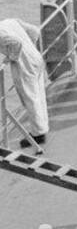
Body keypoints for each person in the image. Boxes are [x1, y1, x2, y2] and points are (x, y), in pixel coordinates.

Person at [0, 17, 49, 149]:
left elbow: (16, 43)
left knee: (30, 98)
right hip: (36, 57)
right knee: (39, 96)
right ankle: (42, 128)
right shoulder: (10, 21)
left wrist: (11, 57)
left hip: (25, 65)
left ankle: (38, 134)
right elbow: (35, 31)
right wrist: (30, 47)